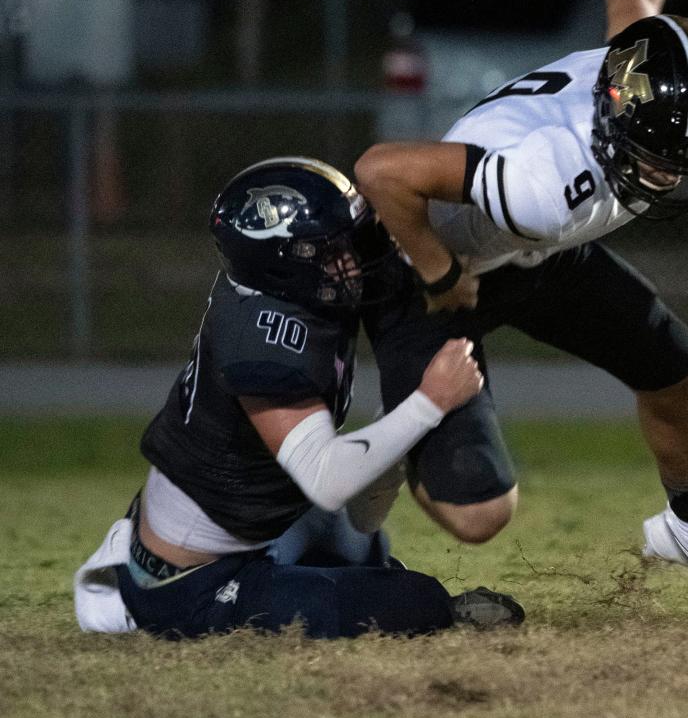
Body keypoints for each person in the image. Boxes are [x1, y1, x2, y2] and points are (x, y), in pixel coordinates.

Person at [355, 0, 688, 621]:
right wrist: (436, 267)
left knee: (675, 372)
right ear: (621, 131)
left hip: (528, 252)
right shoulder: (544, 183)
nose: (672, 178)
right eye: (662, 161)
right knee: (479, 513)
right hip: (433, 264)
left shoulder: (631, 70)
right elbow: (383, 170)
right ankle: (354, 478)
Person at [74, 156, 524, 639]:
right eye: (327, 251)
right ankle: (170, 605)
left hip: (261, 524)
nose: (350, 259)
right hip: (192, 577)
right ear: (282, 264)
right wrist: (429, 403)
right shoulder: (264, 340)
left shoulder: (294, 297)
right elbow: (328, 480)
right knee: (400, 601)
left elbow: (358, 511)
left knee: (363, 548)